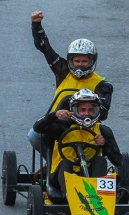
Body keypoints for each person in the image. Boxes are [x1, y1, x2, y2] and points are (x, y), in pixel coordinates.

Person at [27, 11, 113, 157]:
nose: (80, 65)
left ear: (92, 61)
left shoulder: (102, 85)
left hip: (87, 126)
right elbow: (45, 48)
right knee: (34, 135)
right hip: (57, 123)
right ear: (70, 61)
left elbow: (103, 114)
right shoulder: (63, 71)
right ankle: (51, 162)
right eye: (76, 61)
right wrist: (36, 25)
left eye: (84, 61)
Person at [32, 89, 122, 195]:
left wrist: (104, 144)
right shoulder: (61, 126)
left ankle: (98, 196)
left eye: (90, 110)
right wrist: (54, 115)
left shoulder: (102, 130)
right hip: (60, 175)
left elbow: (118, 161)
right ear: (74, 110)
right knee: (66, 163)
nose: (87, 114)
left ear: (96, 111)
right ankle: (70, 196)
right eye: (82, 110)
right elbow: (38, 128)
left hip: (90, 174)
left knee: (100, 161)